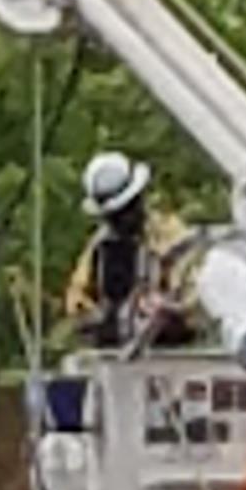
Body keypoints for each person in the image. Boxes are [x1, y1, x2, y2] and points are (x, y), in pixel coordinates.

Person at [62, 148, 194, 352]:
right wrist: (98, 318)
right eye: (114, 216)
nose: (122, 220)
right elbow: (77, 300)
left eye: (126, 210)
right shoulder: (99, 247)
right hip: (116, 357)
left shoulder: (169, 234)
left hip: (168, 356)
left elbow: (193, 290)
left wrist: (166, 307)